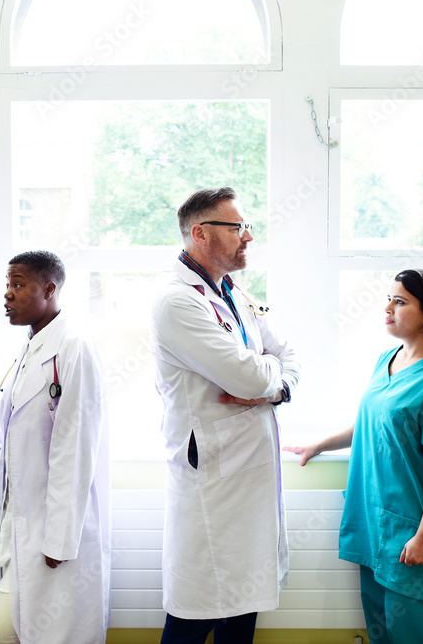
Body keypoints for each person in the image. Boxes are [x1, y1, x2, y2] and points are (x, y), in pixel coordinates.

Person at [285, 270, 423, 644]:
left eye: (400, 302)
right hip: (377, 523)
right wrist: (319, 444)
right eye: (389, 298)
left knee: (418, 635)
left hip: (414, 528)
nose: (387, 308)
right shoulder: (388, 358)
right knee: (383, 632)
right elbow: (372, 423)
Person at [150, 186, 300, 643]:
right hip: (212, 483)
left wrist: (277, 386)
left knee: (242, 611)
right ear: (200, 234)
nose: (248, 237)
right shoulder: (179, 302)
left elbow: (285, 357)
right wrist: (267, 380)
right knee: (192, 619)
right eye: (237, 227)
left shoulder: (232, 290)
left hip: (247, 480)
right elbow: (249, 377)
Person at [0, 250, 110, 644]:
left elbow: (74, 448)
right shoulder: (32, 346)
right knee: (13, 630)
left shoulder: (74, 348)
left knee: (8, 629)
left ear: (49, 289)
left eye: (18, 284)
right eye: (7, 284)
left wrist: (59, 537)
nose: (7, 294)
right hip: (22, 521)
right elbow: (21, 422)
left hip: (54, 529)